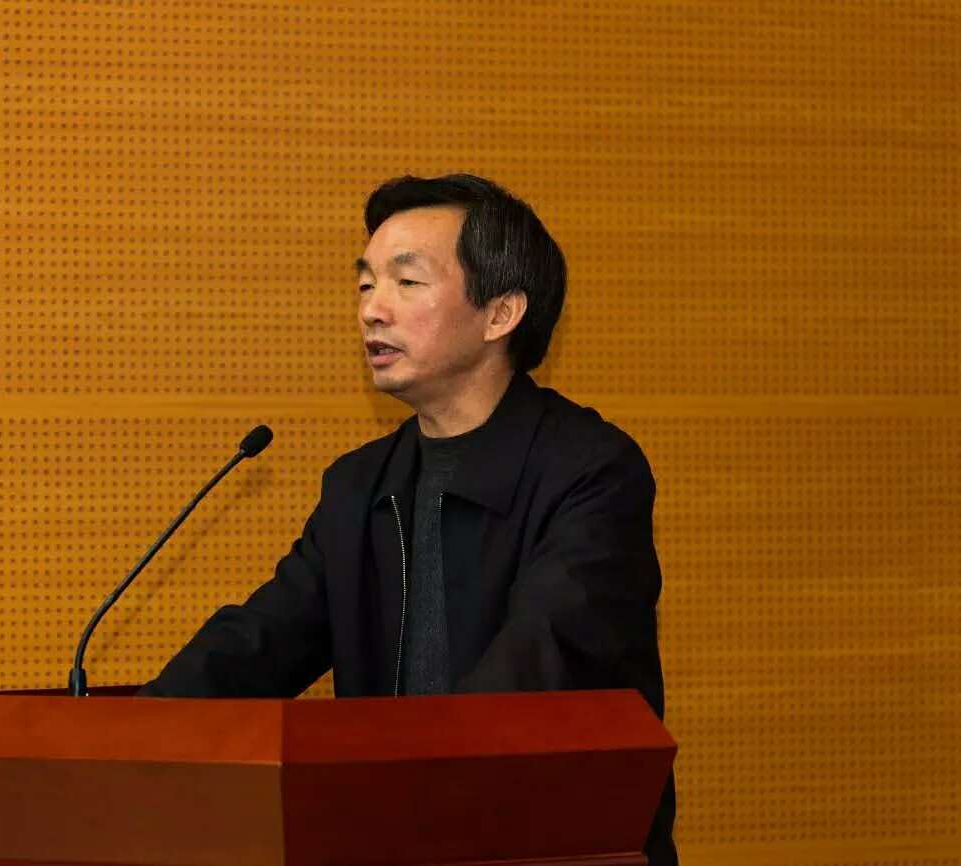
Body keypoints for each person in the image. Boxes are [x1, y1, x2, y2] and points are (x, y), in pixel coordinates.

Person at [136, 173, 677, 865]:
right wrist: (130, 731)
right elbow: (261, 641)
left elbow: (543, 661)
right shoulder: (361, 485)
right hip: (396, 837)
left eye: (406, 281)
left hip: (546, 843)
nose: (372, 310)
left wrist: (401, 786)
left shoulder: (589, 470)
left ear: (500, 313)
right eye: (365, 284)